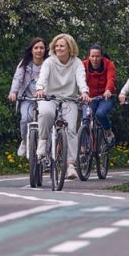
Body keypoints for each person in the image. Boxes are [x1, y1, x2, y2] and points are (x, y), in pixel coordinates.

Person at [35, 33, 90, 180]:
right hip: (49, 97)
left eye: (62, 46)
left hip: (69, 99)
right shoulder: (49, 62)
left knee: (71, 129)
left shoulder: (77, 63)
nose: (58, 48)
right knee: (46, 113)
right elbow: (43, 77)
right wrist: (40, 89)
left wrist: (84, 92)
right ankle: (43, 141)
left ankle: (70, 164)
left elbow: (81, 78)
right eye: (57, 46)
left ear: (70, 48)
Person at [7, 37, 47, 156]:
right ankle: (24, 140)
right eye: (36, 48)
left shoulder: (48, 63)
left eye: (41, 48)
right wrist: (13, 92)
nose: (39, 50)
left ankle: (46, 148)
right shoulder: (25, 63)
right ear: (31, 50)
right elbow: (18, 78)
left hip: (45, 98)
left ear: (45, 50)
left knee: (46, 121)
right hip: (27, 98)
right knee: (25, 118)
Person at [82, 44, 117, 144]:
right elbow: (80, 79)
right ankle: (83, 150)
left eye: (97, 56)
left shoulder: (109, 64)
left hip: (105, 97)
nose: (95, 59)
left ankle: (108, 132)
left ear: (102, 56)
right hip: (90, 97)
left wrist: (108, 90)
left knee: (100, 114)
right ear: (89, 56)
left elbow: (111, 79)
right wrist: (81, 92)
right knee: (86, 120)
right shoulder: (83, 65)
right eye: (92, 56)